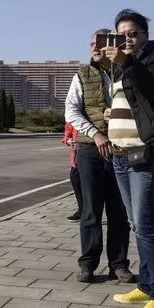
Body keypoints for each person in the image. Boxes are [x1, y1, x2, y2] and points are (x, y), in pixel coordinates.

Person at [100, 11, 154, 308]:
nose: (127, 39)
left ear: (145, 35)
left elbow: (152, 90)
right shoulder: (121, 69)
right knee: (136, 224)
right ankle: (146, 286)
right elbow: (132, 104)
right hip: (121, 156)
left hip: (146, 155)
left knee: (147, 225)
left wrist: (127, 62)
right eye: (122, 35)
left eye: (132, 34)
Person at [64, 30, 133, 282]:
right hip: (89, 149)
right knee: (91, 211)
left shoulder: (126, 71)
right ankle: (88, 264)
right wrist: (95, 134)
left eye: (100, 43)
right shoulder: (82, 75)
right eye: (91, 43)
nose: (94, 47)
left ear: (112, 45)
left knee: (119, 211)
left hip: (121, 148)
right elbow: (71, 111)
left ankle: (119, 265)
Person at [61, 121, 83, 220]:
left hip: (92, 151)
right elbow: (68, 128)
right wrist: (68, 139)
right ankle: (82, 210)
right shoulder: (73, 114)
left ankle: (89, 212)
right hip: (76, 155)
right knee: (76, 181)